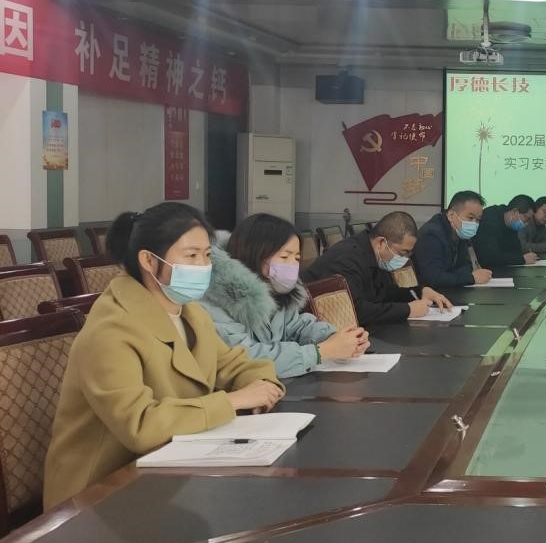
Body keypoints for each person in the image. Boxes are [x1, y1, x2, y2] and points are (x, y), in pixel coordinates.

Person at [44, 203, 284, 508]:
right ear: (148, 260)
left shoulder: (191, 312)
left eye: (207, 255)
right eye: (191, 256)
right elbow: (141, 426)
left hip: (169, 470)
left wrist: (263, 384)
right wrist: (234, 401)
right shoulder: (110, 330)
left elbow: (234, 364)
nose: (203, 266)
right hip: (100, 492)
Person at [200, 213, 369, 379]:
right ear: (255, 254)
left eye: (297, 258)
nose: (292, 265)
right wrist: (320, 352)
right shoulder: (215, 300)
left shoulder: (275, 291)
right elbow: (245, 359)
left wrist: (335, 338)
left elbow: (296, 326)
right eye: (284, 257)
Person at [301, 211, 452, 327]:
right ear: (381, 243)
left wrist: (419, 292)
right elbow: (355, 310)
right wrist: (408, 310)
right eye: (402, 253)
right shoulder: (348, 259)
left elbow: (384, 294)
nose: (404, 259)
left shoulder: (374, 255)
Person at [415, 191, 493, 288]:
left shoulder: (459, 232)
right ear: (451, 215)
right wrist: (472, 278)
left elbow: (466, 266)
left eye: (478, 220)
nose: (474, 224)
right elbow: (433, 278)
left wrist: (456, 276)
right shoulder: (431, 235)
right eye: (470, 217)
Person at [472, 193, 538, 269]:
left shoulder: (511, 223)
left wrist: (523, 257)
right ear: (515, 212)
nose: (526, 224)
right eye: (527, 219)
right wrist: (522, 259)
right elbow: (489, 257)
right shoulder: (490, 220)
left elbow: (515, 251)